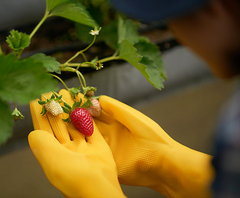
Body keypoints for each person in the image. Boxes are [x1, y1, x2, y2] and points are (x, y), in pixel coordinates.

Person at [28, 0, 240, 197]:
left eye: (171, 19)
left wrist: (95, 190)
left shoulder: (233, 133)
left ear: (216, 8)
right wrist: (162, 162)